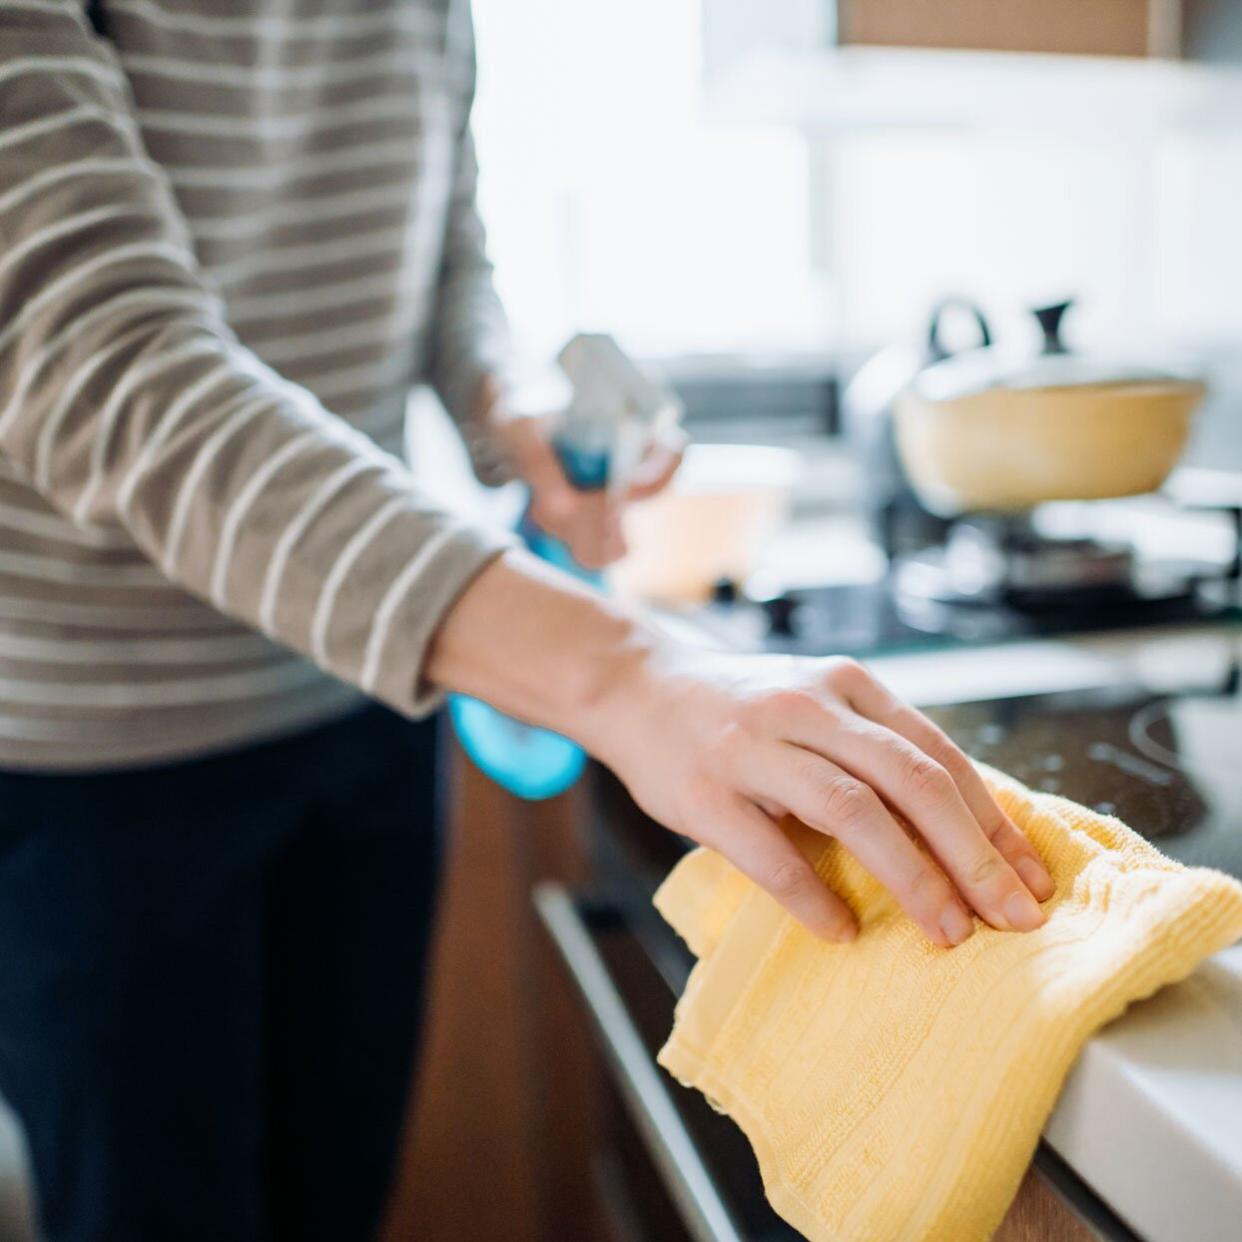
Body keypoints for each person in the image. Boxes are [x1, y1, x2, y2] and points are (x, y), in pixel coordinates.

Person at [0, 2, 1055, 1240]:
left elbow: (445, 263)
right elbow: (94, 358)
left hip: (361, 699)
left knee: (333, 1203)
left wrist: (512, 404)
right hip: (99, 757)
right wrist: (628, 675)